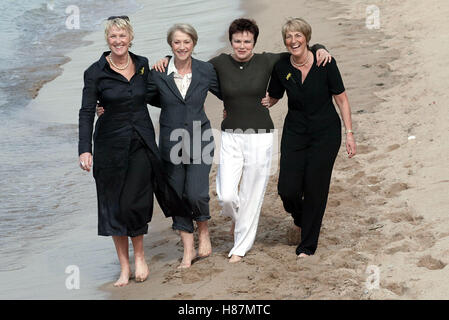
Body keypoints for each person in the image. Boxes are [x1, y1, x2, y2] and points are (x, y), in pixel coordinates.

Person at [154, 18, 331, 263]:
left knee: (252, 193)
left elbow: (298, 48)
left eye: (247, 41)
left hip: (261, 136)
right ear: (231, 41)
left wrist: (320, 47)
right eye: (237, 41)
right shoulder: (217, 64)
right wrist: (166, 57)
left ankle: (240, 247)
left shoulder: (268, 60)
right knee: (226, 195)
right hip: (230, 136)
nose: (242, 45)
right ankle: (239, 221)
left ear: (254, 42)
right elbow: (187, 62)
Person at [79, 16, 189, 287]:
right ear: (108, 39)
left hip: (141, 141)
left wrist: (169, 59)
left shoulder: (141, 65)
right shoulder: (95, 72)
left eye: (123, 36)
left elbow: (155, 93)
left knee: (135, 202)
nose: (118, 41)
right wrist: (85, 150)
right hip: (109, 145)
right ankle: (124, 267)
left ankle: (140, 255)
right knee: (114, 206)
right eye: (113, 37)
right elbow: (85, 111)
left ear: (130, 38)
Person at [101, 23, 222, 268]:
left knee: (196, 192)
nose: (182, 46)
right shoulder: (157, 73)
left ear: (194, 44)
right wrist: (104, 106)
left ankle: (204, 229)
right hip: (171, 141)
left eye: (186, 42)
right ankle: (188, 250)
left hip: (201, 138)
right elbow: (133, 95)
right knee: (177, 195)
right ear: (170, 45)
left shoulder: (206, 70)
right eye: (176, 42)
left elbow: (227, 91)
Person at [265, 18, 357, 258]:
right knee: (288, 189)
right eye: (289, 37)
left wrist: (349, 133)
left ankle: (307, 245)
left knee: (315, 187)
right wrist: (251, 103)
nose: (293, 41)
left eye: (298, 36)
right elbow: (273, 96)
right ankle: (300, 217)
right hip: (295, 132)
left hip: (325, 133)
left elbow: (342, 99)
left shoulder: (324, 62)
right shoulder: (281, 66)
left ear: (306, 37)